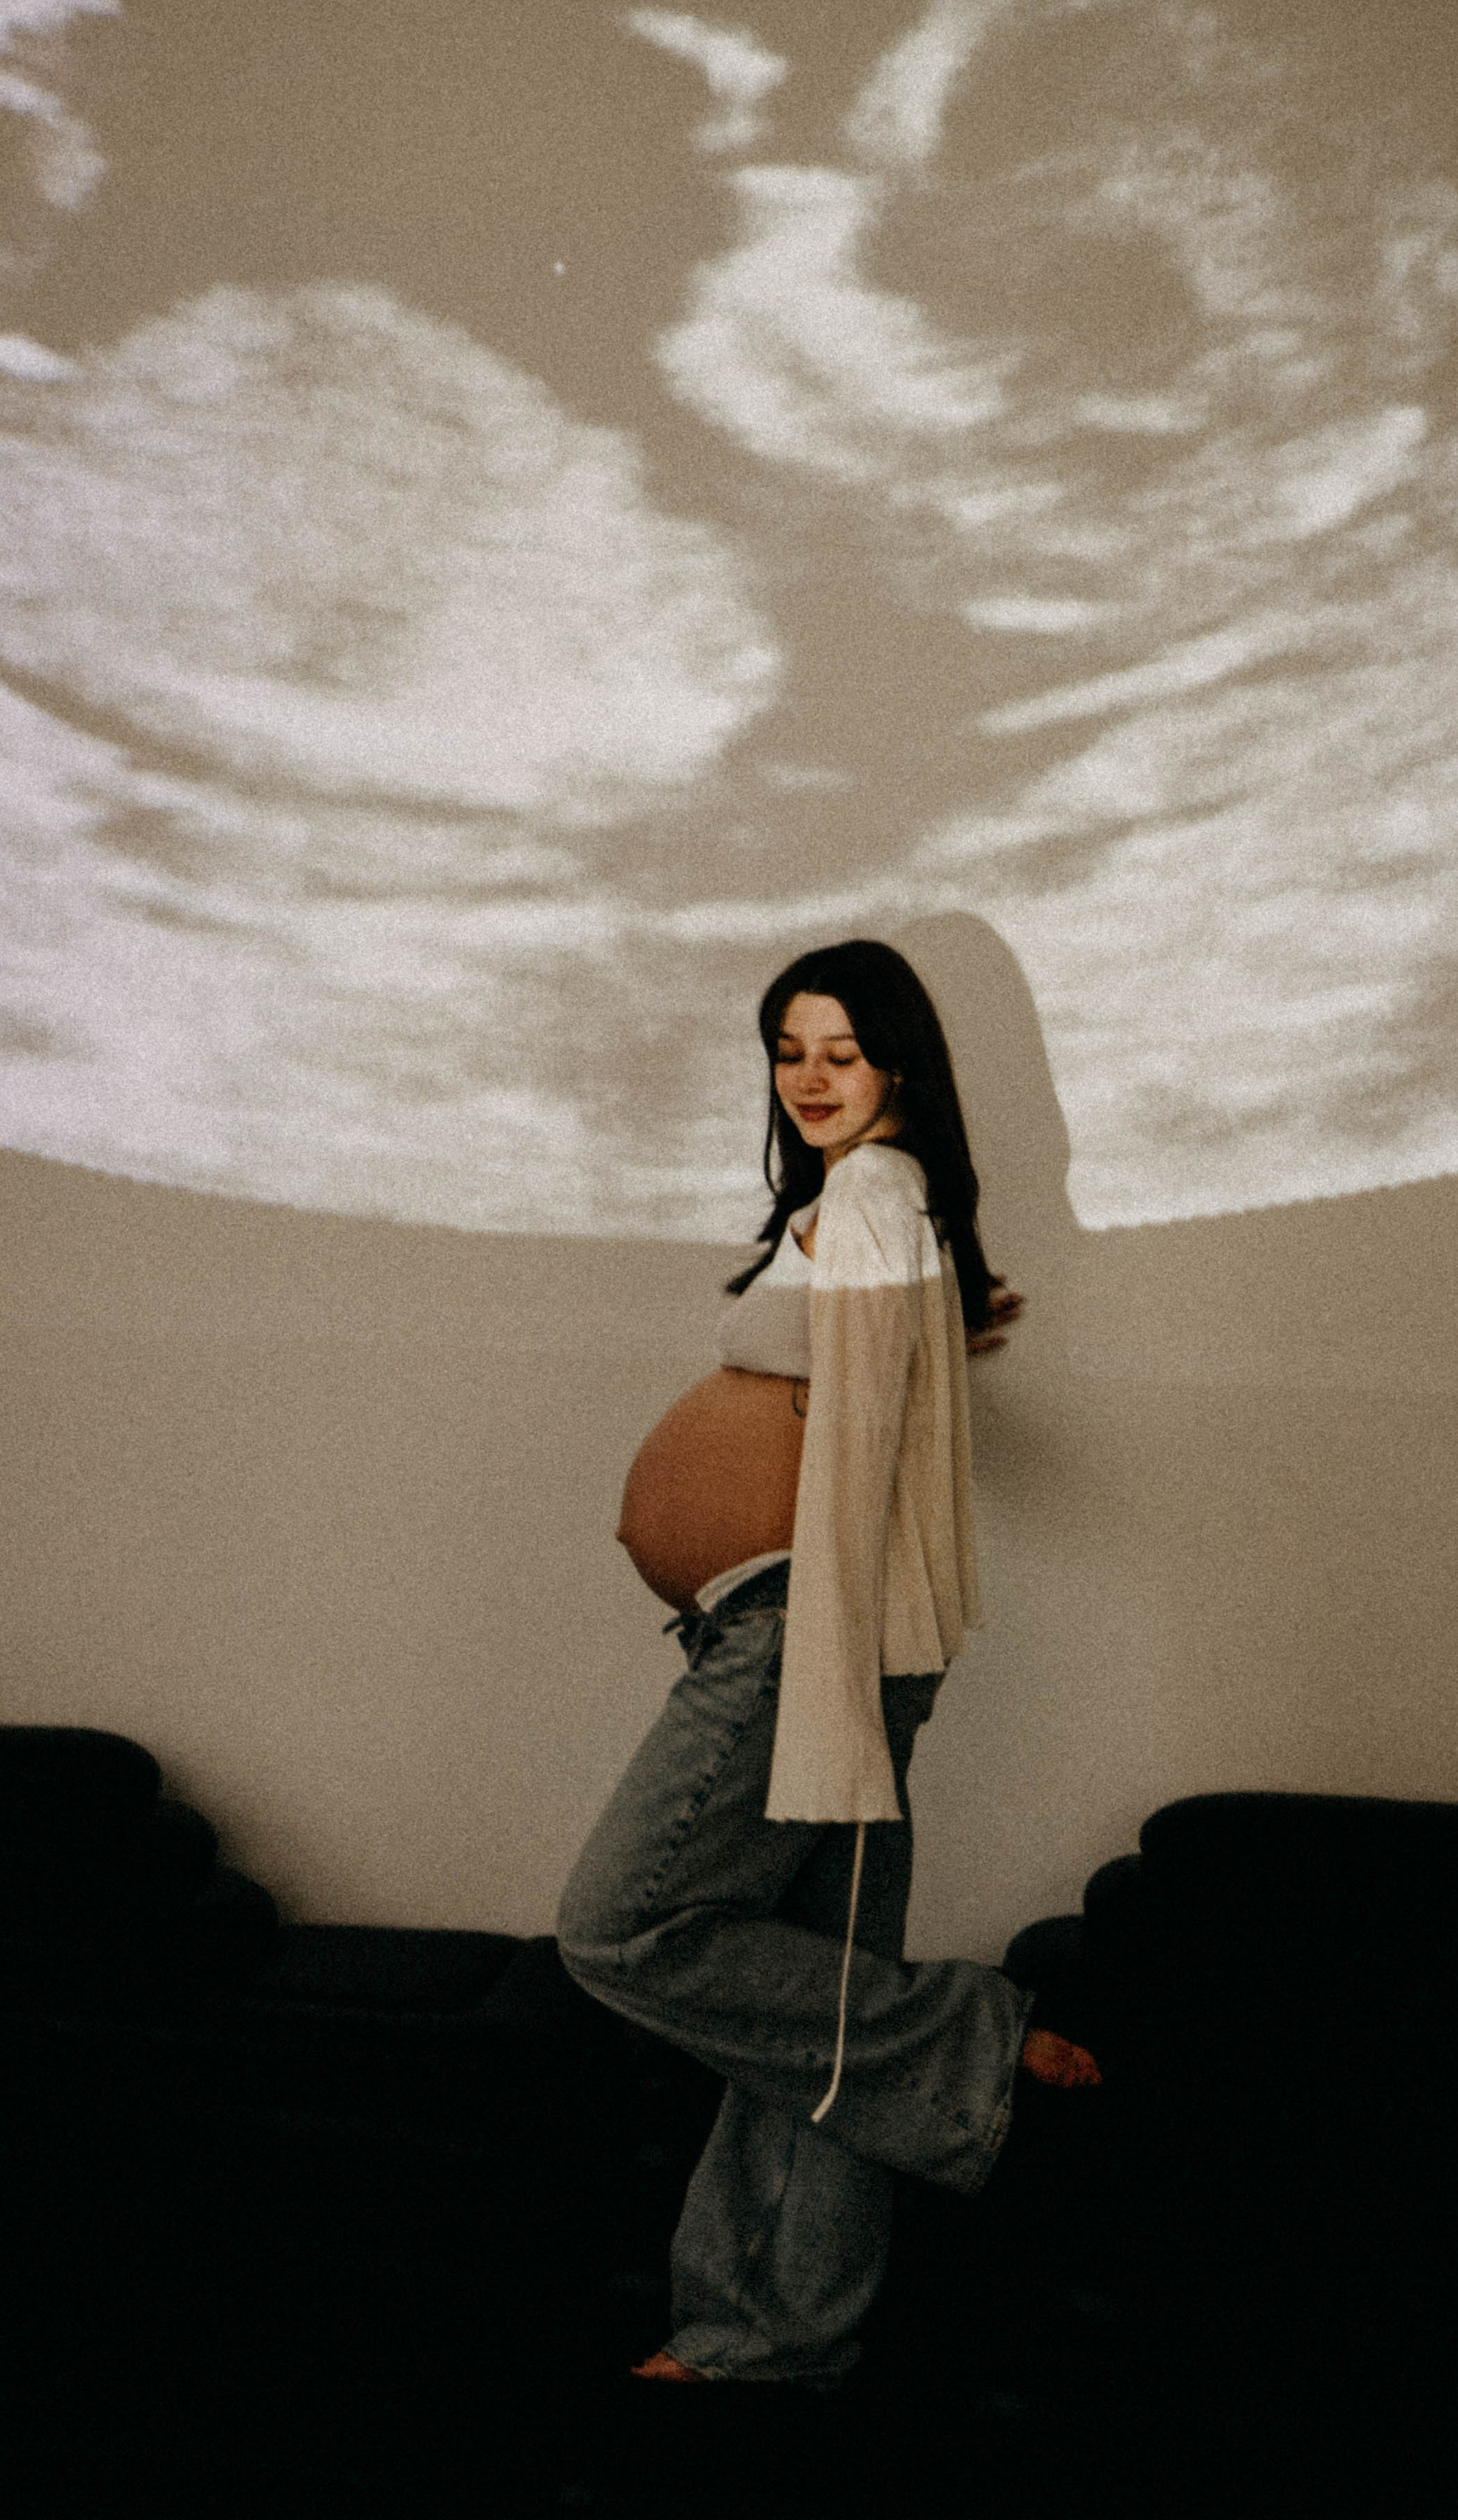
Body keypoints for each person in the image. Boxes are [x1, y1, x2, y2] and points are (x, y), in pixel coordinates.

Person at [556, 939, 1100, 2392]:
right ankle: (767, 2339)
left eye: (839, 1052)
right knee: (815, 1999)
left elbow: (859, 1435)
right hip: (804, 1626)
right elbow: (872, 1385)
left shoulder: (869, 1191)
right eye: (788, 1049)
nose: (807, 1077)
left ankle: (978, 2043)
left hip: (811, 1632)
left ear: (899, 1067)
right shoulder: (874, 1202)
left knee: (620, 1924)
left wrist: (834, 1662)